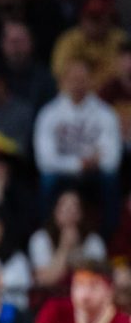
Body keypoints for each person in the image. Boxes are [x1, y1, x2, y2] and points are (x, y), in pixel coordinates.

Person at [33, 57, 122, 235]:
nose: (77, 84)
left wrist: (92, 164)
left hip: (95, 174)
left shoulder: (105, 114)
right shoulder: (49, 114)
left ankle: (108, 237)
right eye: (73, 79)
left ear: (91, 81)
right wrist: (79, 163)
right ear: (63, 81)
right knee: (47, 180)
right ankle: (46, 233)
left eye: (82, 79)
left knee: (111, 179)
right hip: (63, 174)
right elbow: (45, 161)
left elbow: (112, 159)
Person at [28, 189, 106, 293]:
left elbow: (100, 280)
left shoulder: (93, 240)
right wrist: (64, 248)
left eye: (74, 208)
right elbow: (44, 282)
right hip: (52, 298)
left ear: (81, 213)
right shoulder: (40, 239)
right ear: (55, 211)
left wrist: (77, 254)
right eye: (64, 207)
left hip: (86, 297)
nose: (69, 212)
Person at [50, 0, 128, 92]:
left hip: (112, 95)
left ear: (109, 20)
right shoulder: (69, 40)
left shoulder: (119, 38)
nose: (95, 25)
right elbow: (60, 72)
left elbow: (124, 70)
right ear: (82, 19)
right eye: (91, 19)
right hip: (80, 94)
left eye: (99, 19)